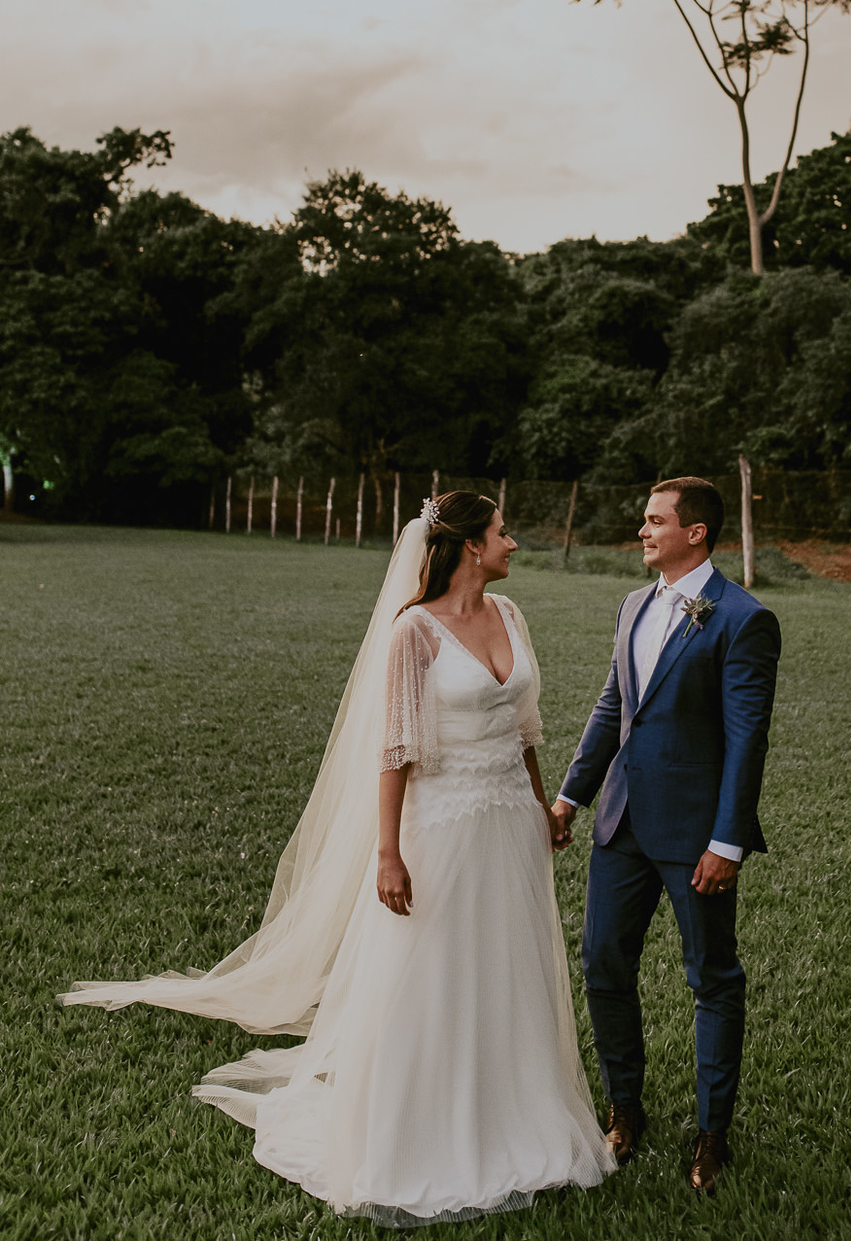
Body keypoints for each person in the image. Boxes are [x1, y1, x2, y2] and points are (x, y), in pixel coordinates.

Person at [60, 491, 613, 1226]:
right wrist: (387, 852)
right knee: (436, 969)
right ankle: (422, 1127)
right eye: (504, 533)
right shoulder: (413, 631)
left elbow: (524, 729)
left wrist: (543, 809)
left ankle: (517, 1106)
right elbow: (393, 752)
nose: (515, 544)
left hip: (509, 820)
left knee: (508, 962)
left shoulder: (512, 617)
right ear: (472, 546)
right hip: (438, 824)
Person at [551, 476, 781, 1197]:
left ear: (697, 533)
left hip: (694, 836)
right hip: (619, 821)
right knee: (602, 965)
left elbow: (748, 741)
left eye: (655, 521)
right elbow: (613, 705)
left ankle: (713, 1135)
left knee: (712, 977)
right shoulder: (632, 605)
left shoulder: (744, 619)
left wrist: (728, 842)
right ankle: (626, 1111)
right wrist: (569, 796)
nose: (643, 531)